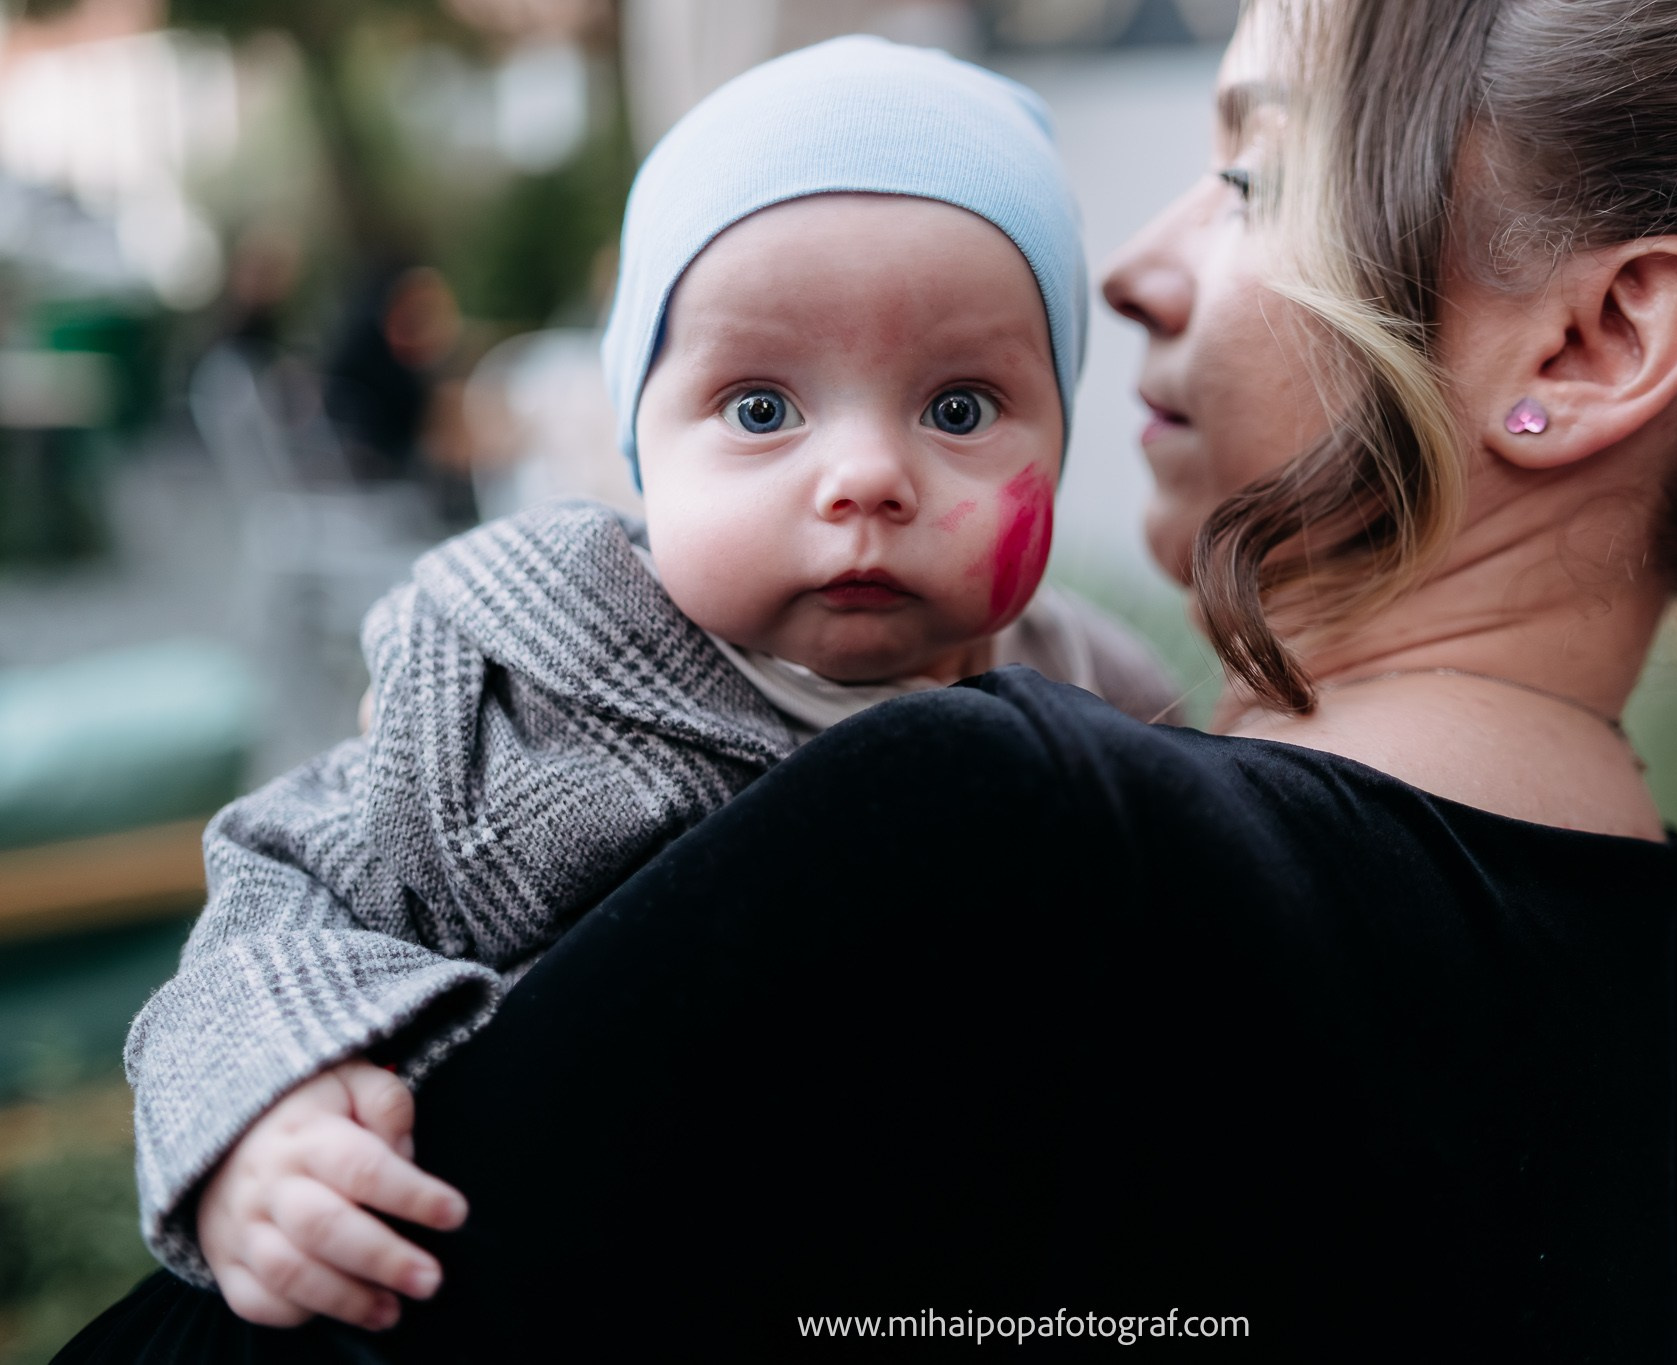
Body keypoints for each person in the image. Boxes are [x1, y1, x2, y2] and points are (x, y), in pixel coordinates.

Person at [63, 0, 1677, 1359]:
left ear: (1599, 337)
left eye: (1257, 180)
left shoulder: (1006, 837)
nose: (1127, 269)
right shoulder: (1631, 995)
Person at [106, 29, 1178, 1337]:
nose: (865, 476)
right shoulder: (519, 679)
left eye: (958, 409)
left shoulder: (1102, 699)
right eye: (763, 408)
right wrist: (269, 1107)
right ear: (638, 451)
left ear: (1060, 438)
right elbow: (285, 880)